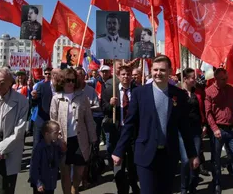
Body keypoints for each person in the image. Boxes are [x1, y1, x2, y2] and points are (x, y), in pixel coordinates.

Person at [112, 55, 199, 194]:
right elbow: (129, 124)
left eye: (162, 70)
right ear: (151, 71)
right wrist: (119, 151)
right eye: (155, 69)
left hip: (169, 154)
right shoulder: (139, 93)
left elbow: (184, 127)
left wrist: (192, 154)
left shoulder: (179, 95)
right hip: (145, 152)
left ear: (169, 71)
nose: (158, 73)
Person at [49, 68, 97, 194]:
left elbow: (89, 119)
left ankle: (75, 190)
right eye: (67, 80)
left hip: (80, 140)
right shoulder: (56, 99)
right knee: (65, 174)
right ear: (61, 81)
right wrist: (57, 139)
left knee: (78, 173)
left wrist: (93, 139)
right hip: (63, 141)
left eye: (73, 80)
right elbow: (53, 121)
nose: (70, 83)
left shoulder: (82, 97)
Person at [102, 65, 140, 194]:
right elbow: (103, 109)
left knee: (133, 162)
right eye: (123, 74)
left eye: (128, 74)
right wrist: (110, 104)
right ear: (118, 76)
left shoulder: (138, 90)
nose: (126, 77)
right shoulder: (110, 91)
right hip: (117, 132)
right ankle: (121, 189)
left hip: (133, 132)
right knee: (118, 164)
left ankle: (134, 184)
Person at [179, 68, 203, 194]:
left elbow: (201, 109)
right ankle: (183, 188)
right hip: (183, 131)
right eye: (192, 77)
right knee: (185, 160)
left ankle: (192, 186)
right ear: (186, 79)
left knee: (195, 160)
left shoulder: (197, 93)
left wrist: (204, 125)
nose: (195, 79)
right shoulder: (178, 93)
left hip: (196, 130)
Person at [30, 120, 65, 194]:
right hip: (41, 184)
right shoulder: (39, 148)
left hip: (51, 182)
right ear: (47, 134)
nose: (58, 135)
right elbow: (34, 167)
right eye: (56, 133)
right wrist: (38, 182)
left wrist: (62, 148)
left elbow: (59, 158)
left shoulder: (55, 146)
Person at [31, 68, 59, 147]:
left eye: (49, 74)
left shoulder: (61, 88)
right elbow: (33, 104)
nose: (48, 75)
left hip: (55, 121)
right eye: (46, 74)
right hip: (41, 120)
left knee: (52, 144)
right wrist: (34, 97)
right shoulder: (41, 86)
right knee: (38, 144)